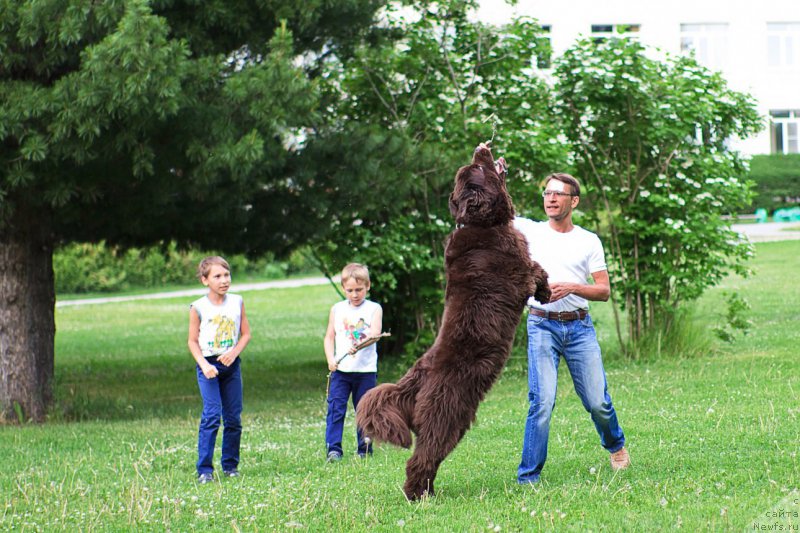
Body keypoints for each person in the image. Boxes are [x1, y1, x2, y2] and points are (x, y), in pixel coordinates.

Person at [514, 173, 629, 485]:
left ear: (573, 201)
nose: (551, 199)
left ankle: (615, 445)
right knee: (541, 401)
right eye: (547, 193)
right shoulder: (529, 230)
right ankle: (528, 477)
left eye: (558, 194)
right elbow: (497, 208)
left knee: (597, 402)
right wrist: (493, 173)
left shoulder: (588, 240)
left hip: (579, 328)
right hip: (541, 325)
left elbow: (604, 291)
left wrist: (574, 288)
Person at [187, 256, 251, 483]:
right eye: (217, 276)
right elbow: (192, 341)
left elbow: (246, 334)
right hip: (208, 367)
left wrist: (234, 353)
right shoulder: (198, 307)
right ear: (205, 280)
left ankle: (230, 466)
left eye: (226, 275)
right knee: (212, 415)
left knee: (233, 418)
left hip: (231, 366)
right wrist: (204, 365)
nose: (224, 280)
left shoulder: (237, 301)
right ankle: (205, 470)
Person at [323, 263, 383, 462]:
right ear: (343, 289)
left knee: (364, 410)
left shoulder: (374, 309)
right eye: (350, 290)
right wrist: (331, 359)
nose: (355, 294)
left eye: (359, 289)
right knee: (336, 409)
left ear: (368, 286)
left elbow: (375, 334)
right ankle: (334, 449)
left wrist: (359, 345)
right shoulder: (337, 309)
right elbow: (329, 337)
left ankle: (364, 448)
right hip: (341, 371)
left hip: (365, 371)